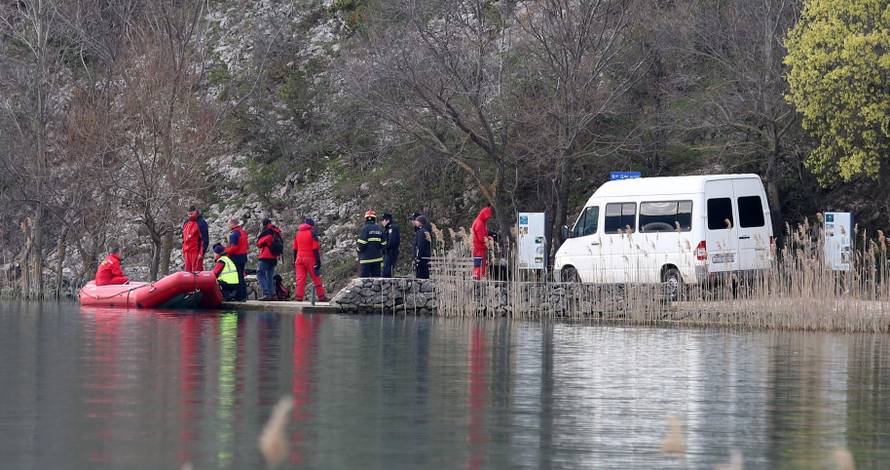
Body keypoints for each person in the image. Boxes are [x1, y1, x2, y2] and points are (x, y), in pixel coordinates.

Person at [292, 218, 329, 301]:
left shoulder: (297, 233)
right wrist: (318, 262)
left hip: (299, 258)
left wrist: (294, 260)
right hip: (310, 258)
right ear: (311, 226)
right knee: (316, 278)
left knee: (300, 279)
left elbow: (294, 248)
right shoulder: (312, 233)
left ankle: (298, 297)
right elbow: (315, 249)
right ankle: (322, 297)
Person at [256, 218, 283, 301]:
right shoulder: (276, 232)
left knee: (260, 274)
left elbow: (259, 243)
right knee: (270, 277)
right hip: (274, 258)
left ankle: (266, 294)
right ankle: (273, 295)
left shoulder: (267, 232)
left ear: (264, 224)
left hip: (265, 256)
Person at [224, 219, 249, 301]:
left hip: (236, 257)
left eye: (229, 224)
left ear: (232, 224)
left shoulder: (234, 234)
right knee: (241, 275)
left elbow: (234, 247)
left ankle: (239, 296)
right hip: (243, 256)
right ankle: (243, 295)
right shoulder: (243, 232)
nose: (228, 226)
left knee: (238, 277)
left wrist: (226, 251)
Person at [356, 210, 386, 277]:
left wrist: (358, 250)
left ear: (366, 219)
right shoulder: (380, 229)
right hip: (377, 260)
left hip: (365, 261)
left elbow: (361, 244)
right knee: (377, 282)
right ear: (375, 219)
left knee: (365, 283)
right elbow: (384, 244)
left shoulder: (364, 229)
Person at [471, 206, 495, 279]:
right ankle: (479, 283)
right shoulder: (480, 224)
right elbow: (482, 238)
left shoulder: (477, 222)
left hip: (477, 249)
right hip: (480, 250)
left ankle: (477, 280)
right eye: (487, 217)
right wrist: (489, 239)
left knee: (477, 266)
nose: (488, 219)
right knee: (480, 268)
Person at [182, 206, 207, 272]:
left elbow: (204, 239)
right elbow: (184, 239)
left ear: (196, 211)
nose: (190, 213)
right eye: (189, 212)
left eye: (192, 211)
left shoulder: (201, 223)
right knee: (188, 273)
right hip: (187, 252)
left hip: (196, 252)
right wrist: (183, 251)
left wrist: (202, 253)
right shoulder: (186, 223)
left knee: (197, 272)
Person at [412, 213, 432, 279]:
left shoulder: (421, 232)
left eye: (417, 221)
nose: (416, 222)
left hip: (421, 258)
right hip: (426, 257)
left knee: (420, 275)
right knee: (425, 274)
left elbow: (420, 246)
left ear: (421, 222)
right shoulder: (426, 231)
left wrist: (418, 258)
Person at [380, 213, 400, 278]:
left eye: (383, 220)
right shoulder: (387, 229)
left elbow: (392, 242)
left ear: (388, 220)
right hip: (387, 253)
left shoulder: (392, 228)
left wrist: (385, 247)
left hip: (391, 253)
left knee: (387, 272)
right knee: (385, 271)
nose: (382, 222)